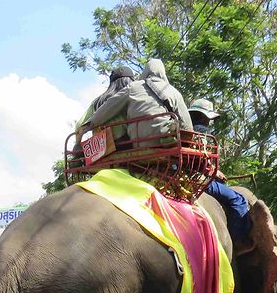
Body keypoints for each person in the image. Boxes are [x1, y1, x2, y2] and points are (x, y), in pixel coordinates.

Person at [83, 58, 193, 151]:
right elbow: (188, 127)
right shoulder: (174, 92)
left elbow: (108, 108)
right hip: (166, 142)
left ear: (145, 72)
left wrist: (89, 125)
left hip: (138, 144)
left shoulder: (133, 87)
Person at [184, 98, 252, 247]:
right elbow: (202, 161)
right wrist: (215, 173)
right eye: (208, 119)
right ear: (203, 117)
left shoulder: (184, 130)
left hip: (181, 173)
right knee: (238, 200)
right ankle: (236, 243)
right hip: (199, 179)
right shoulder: (204, 134)